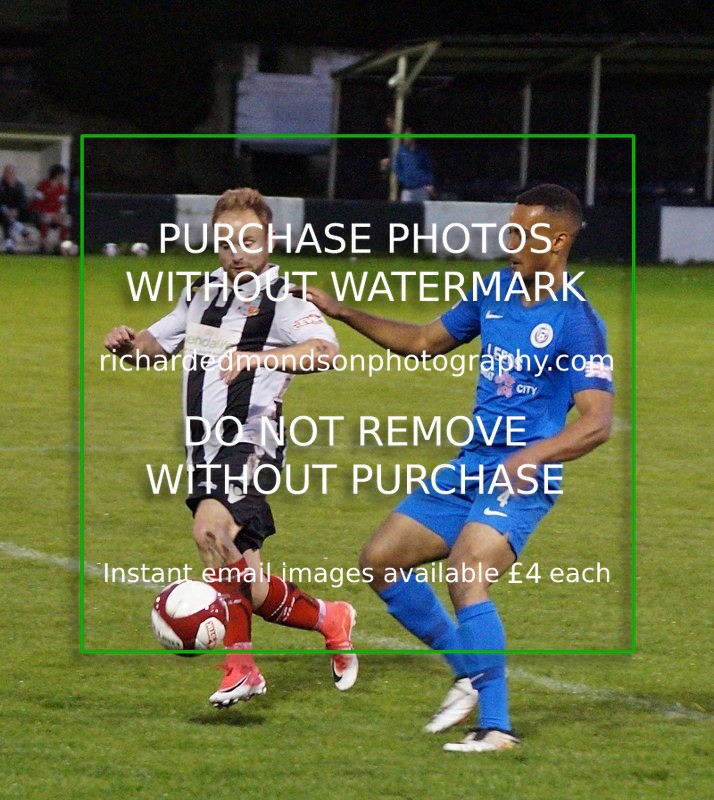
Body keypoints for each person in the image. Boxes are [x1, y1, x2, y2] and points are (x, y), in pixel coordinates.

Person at [298, 184, 614, 752]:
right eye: (509, 228)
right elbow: (422, 340)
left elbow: (596, 422)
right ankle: (468, 671)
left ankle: (497, 727)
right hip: (473, 464)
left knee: (468, 568)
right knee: (382, 560)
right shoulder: (493, 289)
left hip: (524, 472)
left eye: (523, 232)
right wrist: (342, 311)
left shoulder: (577, 321)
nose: (510, 240)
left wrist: (531, 455)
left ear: (559, 239)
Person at [104, 188, 358, 707]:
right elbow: (153, 347)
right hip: (204, 451)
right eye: (225, 242)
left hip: (251, 441)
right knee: (243, 579)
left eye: (247, 240)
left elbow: (323, 352)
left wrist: (258, 359)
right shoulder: (200, 294)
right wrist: (129, 345)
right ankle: (332, 618)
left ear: (268, 240)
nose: (235, 251)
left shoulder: (284, 298)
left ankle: (241, 669)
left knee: (210, 530)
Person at [32, 164, 71, 253]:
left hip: (54, 215)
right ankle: (43, 244)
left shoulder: (62, 188)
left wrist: (58, 214)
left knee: (67, 219)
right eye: (62, 175)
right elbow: (37, 203)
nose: (63, 177)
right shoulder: (42, 185)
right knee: (46, 217)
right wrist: (49, 213)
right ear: (56, 174)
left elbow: (61, 204)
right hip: (40, 213)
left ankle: (60, 246)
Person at [393, 128, 435, 202]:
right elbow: (397, 168)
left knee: (422, 211)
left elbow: (429, 169)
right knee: (406, 212)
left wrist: (430, 184)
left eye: (408, 136)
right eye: (404, 136)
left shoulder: (422, 152)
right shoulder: (401, 151)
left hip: (421, 189)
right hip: (407, 190)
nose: (405, 139)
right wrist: (404, 179)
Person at [0, 164, 32, 252]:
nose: (9, 175)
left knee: (8, 218)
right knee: (5, 214)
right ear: (4, 173)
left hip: (15, 214)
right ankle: (22, 231)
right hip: (2, 213)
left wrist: (16, 210)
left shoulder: (19, 186)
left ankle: (9, 244)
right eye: (7, 173)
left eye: (11, 173)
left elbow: (23, 202)